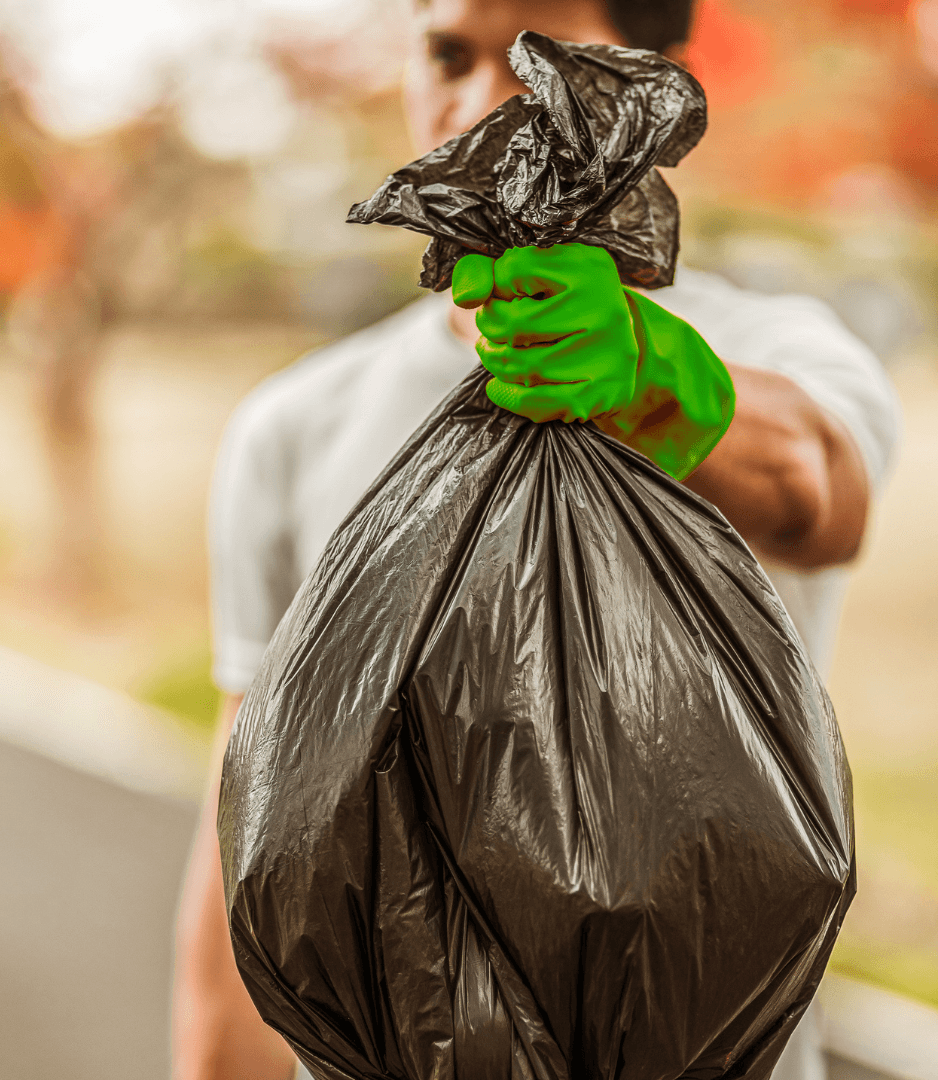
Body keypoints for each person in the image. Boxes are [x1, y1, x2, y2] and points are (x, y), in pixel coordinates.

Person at [171, 1, 902, 1078]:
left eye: (534, 59)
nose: (479, 100)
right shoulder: (294, 427)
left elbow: (815, 486)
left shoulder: (779, 350)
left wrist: (660, 375)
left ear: (655, 78)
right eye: (446, 52)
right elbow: (254, 827)